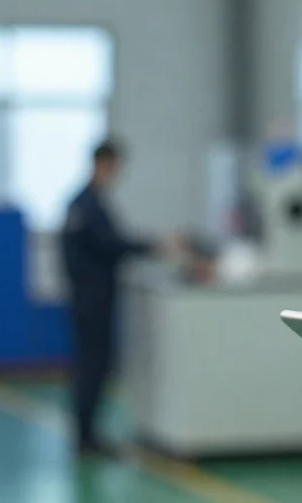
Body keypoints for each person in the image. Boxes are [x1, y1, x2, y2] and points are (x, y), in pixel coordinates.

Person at [60, 138, 181, 457]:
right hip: (91, 298)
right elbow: (111, 244)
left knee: (93, 364)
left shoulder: (87, 203)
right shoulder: (87, 205)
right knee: (92, 365)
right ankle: (85, 435)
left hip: (91, 295)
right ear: (104, 164)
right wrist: (155, 245)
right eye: (115, 167)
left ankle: (86, 431)